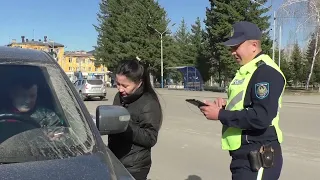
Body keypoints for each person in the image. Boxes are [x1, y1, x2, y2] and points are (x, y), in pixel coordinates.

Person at [200, 21, 286, 180]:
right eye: (231, 48)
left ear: (253, 45)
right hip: (244, 154)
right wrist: (225, 106)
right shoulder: (247, 71)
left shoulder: (265, 72)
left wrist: (220, 115)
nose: (232, 52)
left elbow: (261, 116)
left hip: (259, 154)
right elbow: (247, 104)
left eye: (236, 47)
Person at [108, 58, 163, 180]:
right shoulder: (119, 96)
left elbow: (150, 138)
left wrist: (124, 126)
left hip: (135, 166)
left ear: (139, 83)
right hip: (115, 159)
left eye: (125, 86)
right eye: (117, 84)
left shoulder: (149, 103)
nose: (120, 89)